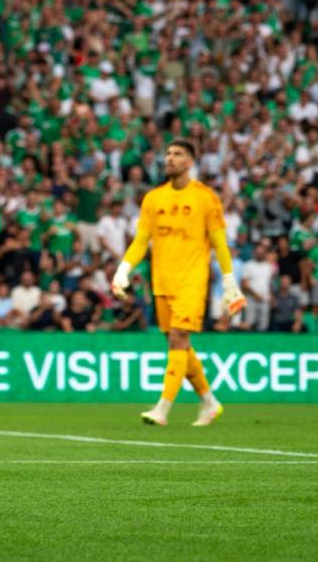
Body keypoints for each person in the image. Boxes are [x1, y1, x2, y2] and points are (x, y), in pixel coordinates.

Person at [111, 140, 246, 427]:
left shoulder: (205, 197)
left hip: (192, 281)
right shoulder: (153, 198)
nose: (170, 158)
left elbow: (219, 243)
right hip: (162, 281)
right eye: (168, 153)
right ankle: (209, 402)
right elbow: (141, 240)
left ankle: (162, 408)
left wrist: (229, 280)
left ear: (190, 162)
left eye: (178, 154)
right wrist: (123, 269)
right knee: (178, 343)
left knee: (177, 337)